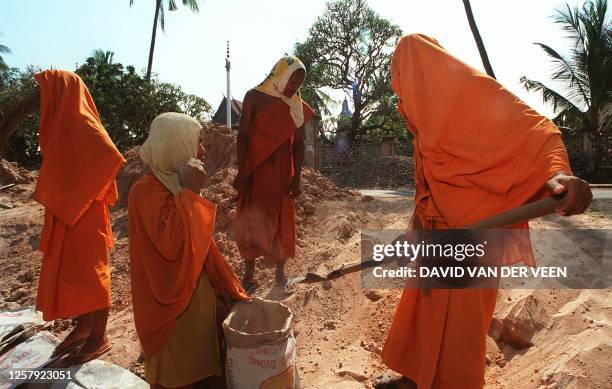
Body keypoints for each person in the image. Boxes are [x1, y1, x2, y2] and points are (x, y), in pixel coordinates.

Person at [374, 34, 592, 389]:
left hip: (476, 238)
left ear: (420, 74)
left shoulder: (475, 96)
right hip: (437, 235)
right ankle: (415, 379)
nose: (402, 97)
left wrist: (559, 175)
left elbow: (541, 134)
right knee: (424, 315)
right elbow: (427, 185)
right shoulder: (426, 119)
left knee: (460, 330)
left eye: (403, 82)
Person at [128, 112, 249, 389]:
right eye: (198, 143)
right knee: (178, 379)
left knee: (206, 370)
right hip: (169, 315)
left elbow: (202, 246)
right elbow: (173, 248)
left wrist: (226, 288)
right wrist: (190, 193)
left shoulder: (177, 185)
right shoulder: (145, 193)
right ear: (175, 145)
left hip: (197, 306)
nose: (203, 152)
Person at [33, 70, 125, 366]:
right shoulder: (63, 124)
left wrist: (80, 192)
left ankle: (100, 337)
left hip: (86, 213)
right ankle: (84, 326)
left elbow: (109, 155)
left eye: (48, 93)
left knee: (94, 276)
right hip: (70, 211)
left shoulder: (83, 121)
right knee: (77, 274)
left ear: (63, 93)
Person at [233, 56, 315, 291]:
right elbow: (243, 135)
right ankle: (249, 274)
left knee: (281, 221)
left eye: (298, 84)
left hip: (282, 174)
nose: (293, 87)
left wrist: (296, 177)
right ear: (280, 74)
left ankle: (280, 274)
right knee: (251, 218)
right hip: (256, 170)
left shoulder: (296, 106)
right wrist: (242, 171)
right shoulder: (254, 97)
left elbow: (298, 145)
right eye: (291, 80)